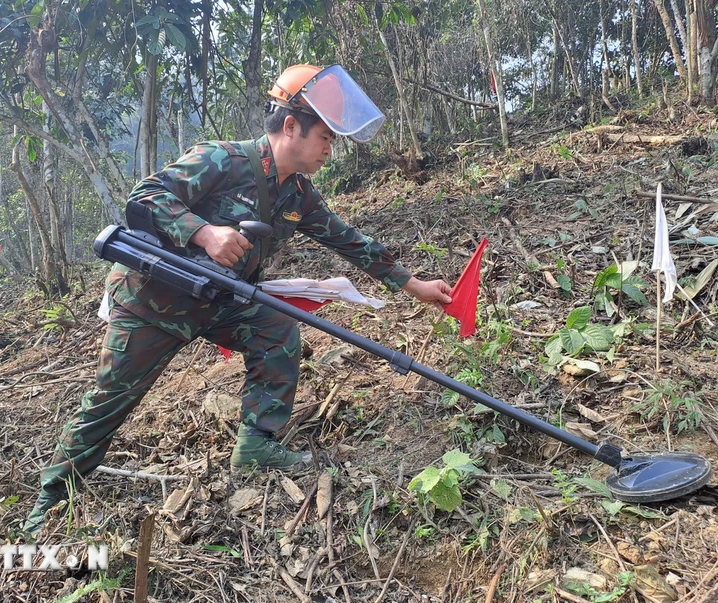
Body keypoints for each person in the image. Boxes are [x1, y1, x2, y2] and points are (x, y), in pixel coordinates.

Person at [23, 64, 452, 535]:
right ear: (291, 126)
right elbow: (146, 195)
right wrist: (204, 232)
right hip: (154, 303)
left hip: (217, 300)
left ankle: (256, 444)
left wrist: (413, 286)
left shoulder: (297, 194)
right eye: (326, 137)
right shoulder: (222, 160)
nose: (331, 148)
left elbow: (347, 240)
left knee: (275, 326)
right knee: (112, 397)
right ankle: (51, 501)